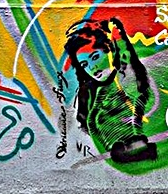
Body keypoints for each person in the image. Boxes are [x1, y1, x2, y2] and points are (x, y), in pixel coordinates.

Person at [65, 18, 157, 163]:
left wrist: (118, 30)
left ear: (109, 51)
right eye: (84, 64)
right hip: (112, 147)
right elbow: (84, 122)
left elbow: (128, 55)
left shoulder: (125, 77)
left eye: (95, 57)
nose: (94, 69)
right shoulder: (87, 92)